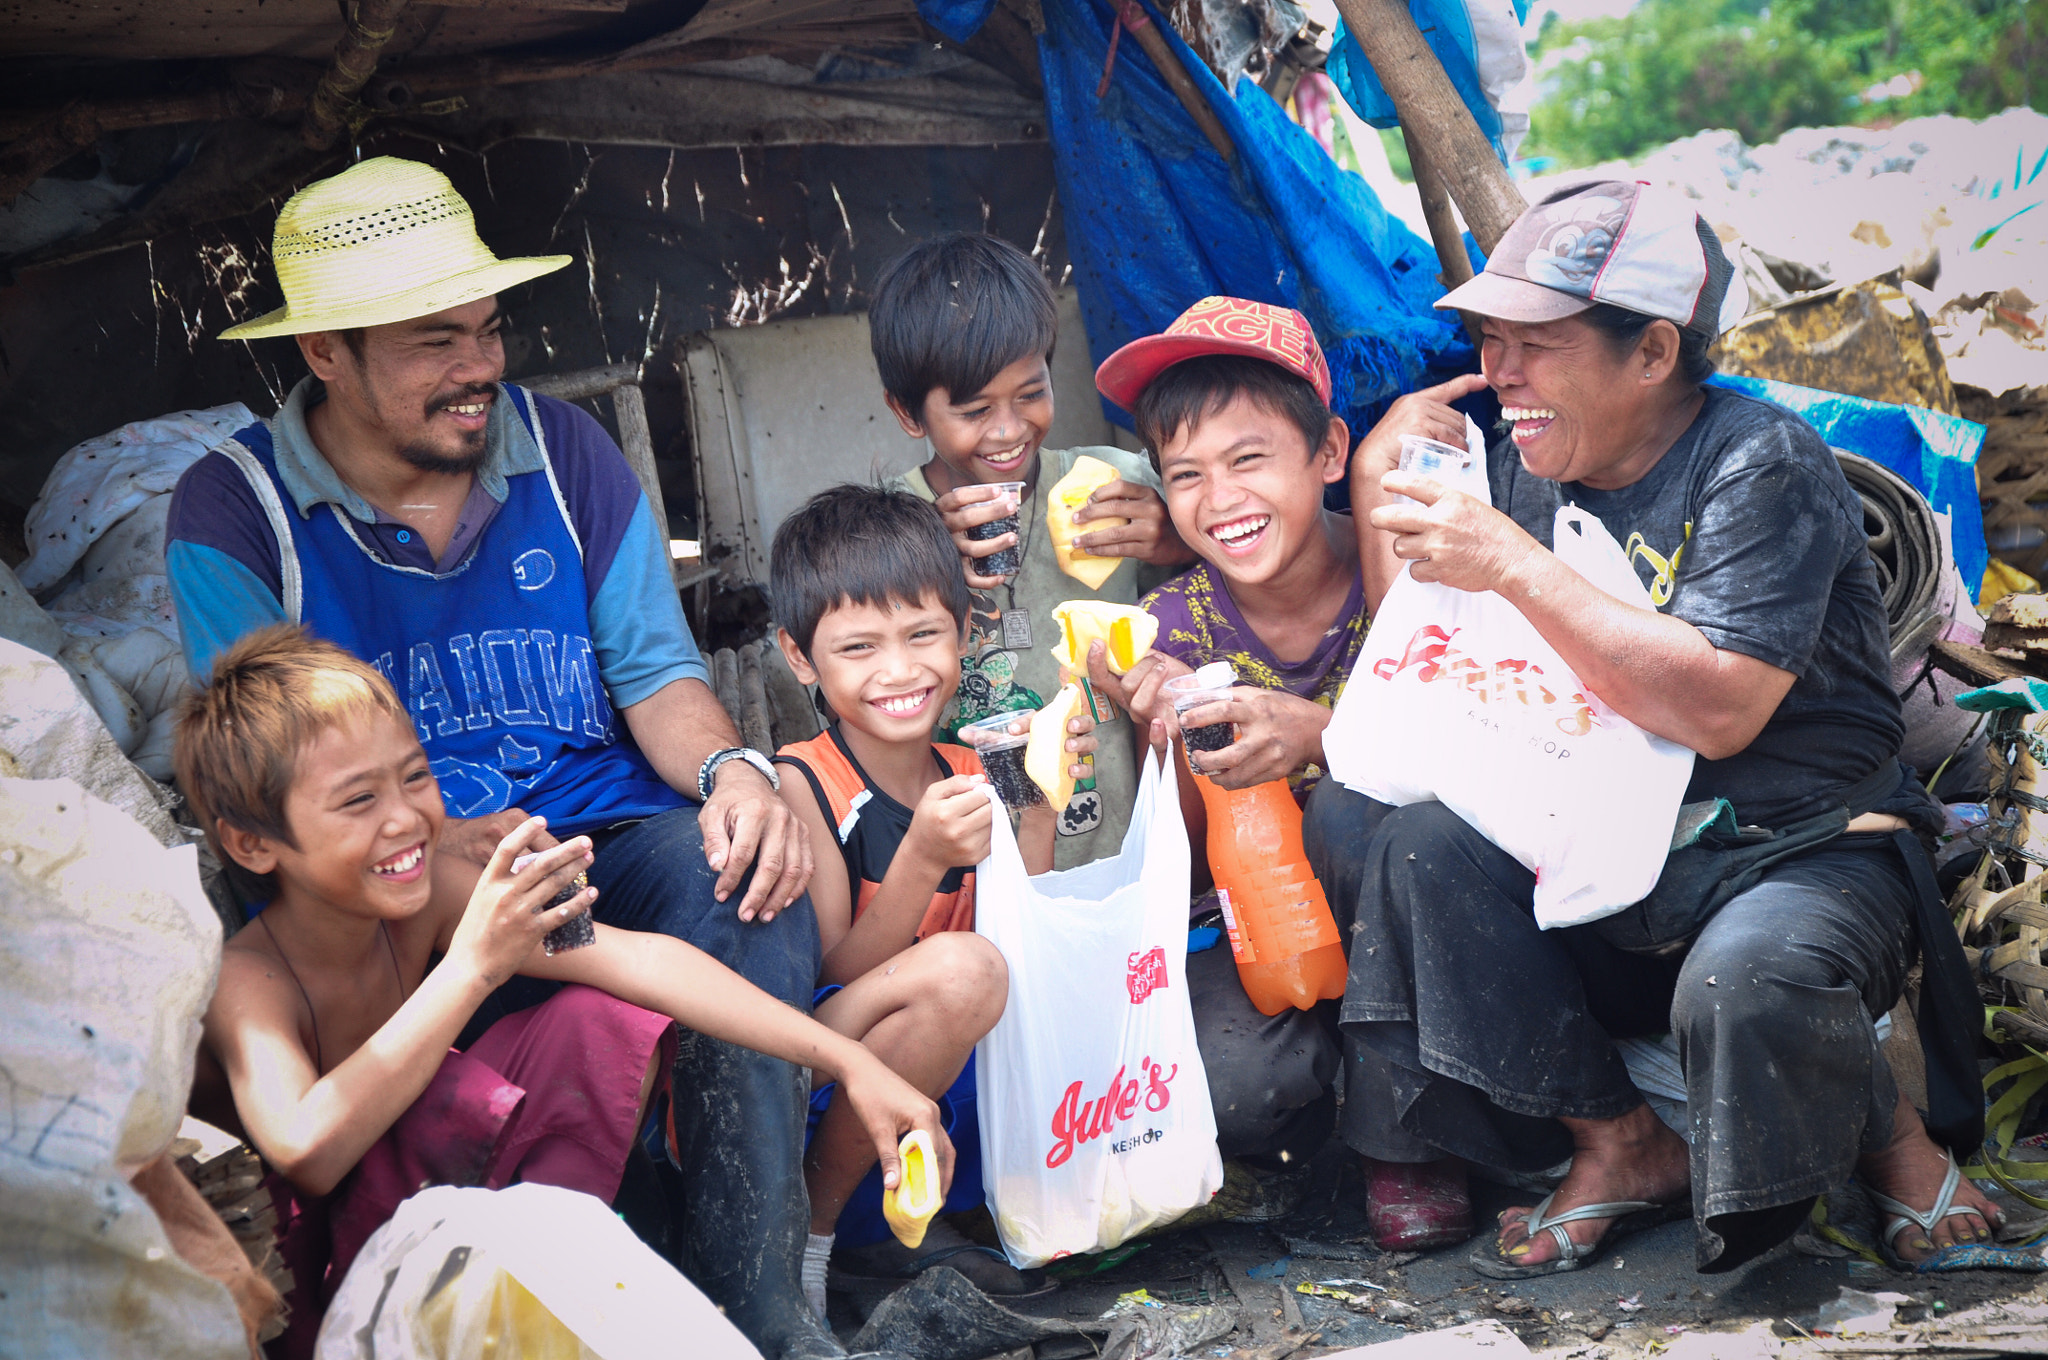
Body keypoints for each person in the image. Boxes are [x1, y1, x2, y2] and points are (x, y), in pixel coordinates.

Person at [163, 157, 835, 1359]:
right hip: (410, 887)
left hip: (598, 837)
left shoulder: (564, 453)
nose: (479, 366)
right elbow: (272, 762)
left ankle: (763, 1317)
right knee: (535, 982)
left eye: (485, 329)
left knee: (743, 876)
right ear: (323, 352)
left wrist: (734, 773)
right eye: (434, 341)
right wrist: (434, 841)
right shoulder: (235, 512)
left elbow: (656, 674)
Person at [1316, 178, 1996, 1274]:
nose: (1499, 374)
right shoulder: (1518, 467)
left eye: (1535, 345)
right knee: (1397, 838)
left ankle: (1889, 1137)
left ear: (1653, 353)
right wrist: (1374, 481)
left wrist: (1511, 563)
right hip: (1605, 860)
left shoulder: (1759, 463)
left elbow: (1717, 711)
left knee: (1748, 978)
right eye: (1492, 343)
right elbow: (1432, 686)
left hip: (1789, 854)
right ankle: (1619, 1140)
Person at [177, 626, 946, 1359]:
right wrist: (472, 967)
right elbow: (307, 1150)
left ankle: (567, 1299)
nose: (406, 819)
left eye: (414, 776)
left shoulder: (434, 893)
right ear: (252, 842)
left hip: (431, 1209)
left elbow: (643, 963)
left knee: (595, 1023)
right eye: (357, 801)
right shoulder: (248, 979)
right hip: (310, 1281)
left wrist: (850, 1062)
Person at [768, 485, 1094, 1309]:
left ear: (964, 631)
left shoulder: (971, 767)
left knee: (1005, 975)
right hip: (833, 1082)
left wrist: (1042, 802)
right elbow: (831, 974)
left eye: (923, 634)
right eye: (858, 648)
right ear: (800, 657)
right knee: (961, 971)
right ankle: (814, 1236)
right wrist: (919, 859)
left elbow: (1023, 939)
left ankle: (976, 1214)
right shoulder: (804, 780)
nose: (900, 670)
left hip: (955, 1085)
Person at [1080, 298, 1374, 1184]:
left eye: (1248, 459)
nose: (1220, 500)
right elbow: (1184, 869)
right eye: (1186, 474)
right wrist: (1160, 729)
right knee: (1233, 1089)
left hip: (1404, 915)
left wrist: (1321, 738)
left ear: (1330, 451)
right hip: (1264, 931)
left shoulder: (1397, 571)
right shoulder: (1167, 628)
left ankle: (1413, 1132)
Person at [870, 232, 1196, 868]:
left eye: (1030, 393)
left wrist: (1179, 540)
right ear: (909, 413)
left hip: (1121, 855)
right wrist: (912, 558)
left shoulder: (1120, 487)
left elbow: (1252, 557)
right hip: (971, 876)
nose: (1009, 429)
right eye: (974, 410)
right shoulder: (881, 528)